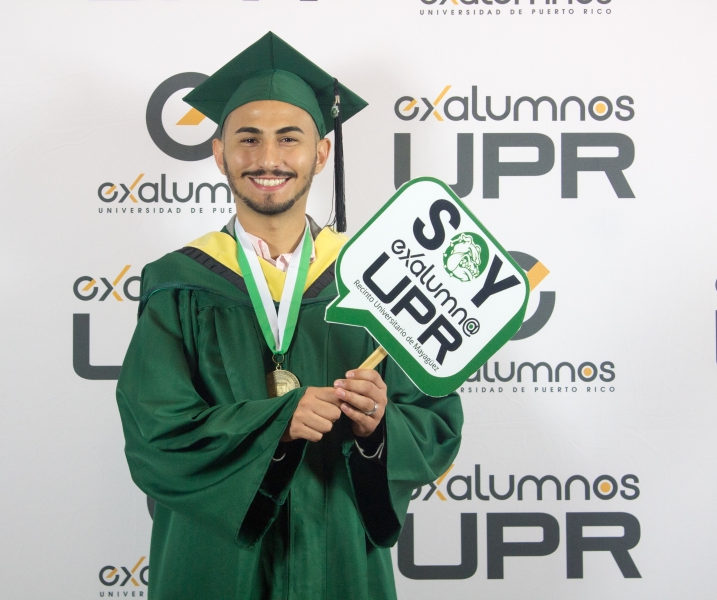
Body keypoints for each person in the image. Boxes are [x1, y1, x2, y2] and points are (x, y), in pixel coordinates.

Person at [116, 32, 463, 600]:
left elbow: (435, 422)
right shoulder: (178, 284)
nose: (268, 158)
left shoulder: (378, 279)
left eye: (289, 138)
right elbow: (155, 436)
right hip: (216, 562)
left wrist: (378, 427)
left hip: (339, 554)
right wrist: (276, 422)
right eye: (248, 139)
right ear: (219, 153)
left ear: (320, 154)